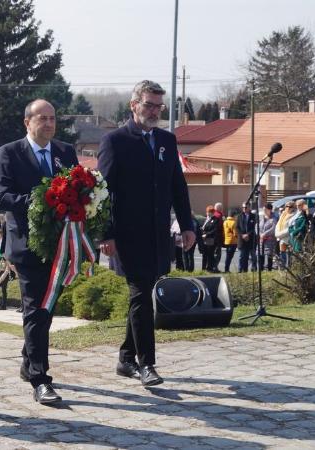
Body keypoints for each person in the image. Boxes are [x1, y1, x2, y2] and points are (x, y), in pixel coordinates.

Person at [97, 80, 195, 389]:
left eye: (158, 106)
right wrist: (106, 234)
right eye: (149, 105)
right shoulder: (115, 141)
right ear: (133, 105)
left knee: (142, 295)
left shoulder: (167, 139)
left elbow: (177, 186)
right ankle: (146, 363)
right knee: (142, 294)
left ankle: (126, 357)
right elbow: (103, 192)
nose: (154, 111)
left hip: (158, 234)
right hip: (127, 236)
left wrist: (187, 224)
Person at [0, 98, 78, 405]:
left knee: (46, 309)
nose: (49, 123)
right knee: (35, 308)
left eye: (53, 118)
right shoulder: (10, 153)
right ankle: (41, 379)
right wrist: (37, 199)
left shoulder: (66, 152)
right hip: (25, 246)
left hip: (60, 245)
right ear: (27, 122)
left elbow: (78, 190)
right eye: (42, 118)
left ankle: (29, 360)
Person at [236, 202, 257, 272]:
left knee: (252, 256)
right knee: (242, 256)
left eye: (245, 207)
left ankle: (253, 269)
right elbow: (237, 228)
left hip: (251, 239)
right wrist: (242, 235)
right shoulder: (239, 216)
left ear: (249, 207)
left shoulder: (253, 216)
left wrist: (248, 234)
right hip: (242, 240)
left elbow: (255, 227)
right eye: (243, 207)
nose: (244, 209)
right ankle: (241, 269)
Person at [201, 206, 220, 272]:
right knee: (204, 254)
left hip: (211, 239)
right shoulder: (206, 219)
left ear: (212, 212)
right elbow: (203, 228)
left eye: (209, 212)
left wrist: (206, 234)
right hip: (204, 239)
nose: (208, 213)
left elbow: (215, 229)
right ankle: (203, 268)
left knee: (210, 254)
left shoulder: (215, 219)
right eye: (207, 212)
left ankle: (209, 268)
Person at [259, 203, 277, 271]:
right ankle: (261, 269)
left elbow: (273, 228)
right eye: (263, 209)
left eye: (265, 209)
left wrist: (265, 234)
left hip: (270, 240)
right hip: (261, 239)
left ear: (269, 210)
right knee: (261, 254)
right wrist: (260, 234)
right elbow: (256, 226)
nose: (264, 211)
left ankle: (269, 269)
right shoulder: (261, 218)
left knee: (269, 255)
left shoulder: (273, 218)